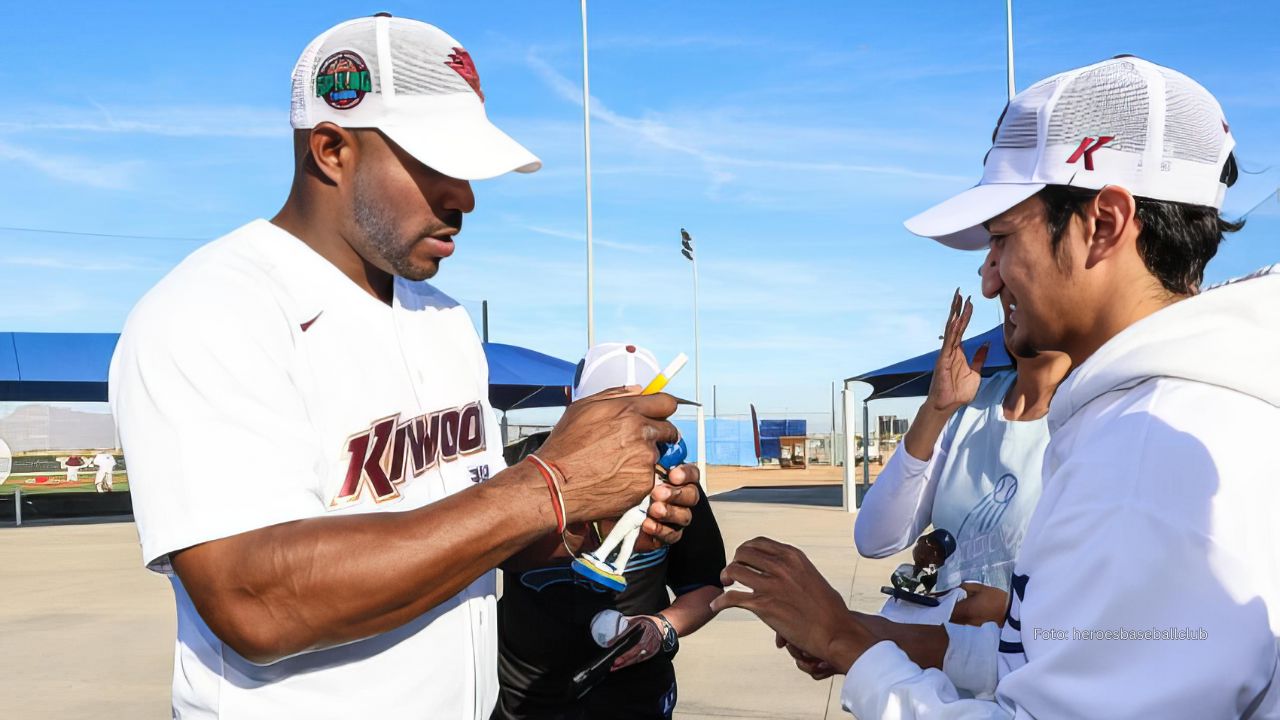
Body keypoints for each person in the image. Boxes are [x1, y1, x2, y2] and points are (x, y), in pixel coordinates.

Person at [109, 15, 702, 720]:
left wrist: (587, 519)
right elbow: (253, 600)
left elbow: (466, 530)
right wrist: (552, 483)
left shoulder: (443, 319)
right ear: (332, 148)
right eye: (436, 165)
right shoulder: (212, 308)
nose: (465, 198)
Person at [714, 56, 1280, 718]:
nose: (989, 279)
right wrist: (863, 639)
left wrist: (849, 642)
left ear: (1104, 223)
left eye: (1004, 238)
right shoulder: (1172, 419)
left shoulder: (1144, 460)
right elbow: (1067, 665)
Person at [494, 343, 725, 720]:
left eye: (640, 410)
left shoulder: (675, 482)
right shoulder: (518, 464)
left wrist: (660, 627)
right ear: (574, 405)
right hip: (523, 695)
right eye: (609, 407)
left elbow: (705, 586)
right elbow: (473, 559)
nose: (625, 424)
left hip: (636, 698)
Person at [854, 282, 1071, 601]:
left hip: (1029, 649)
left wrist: (1001, 615)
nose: (995, 280)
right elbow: (875, 539)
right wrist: (935, 410)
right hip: (939, 647)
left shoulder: (1094, 416)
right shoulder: (973, 405)